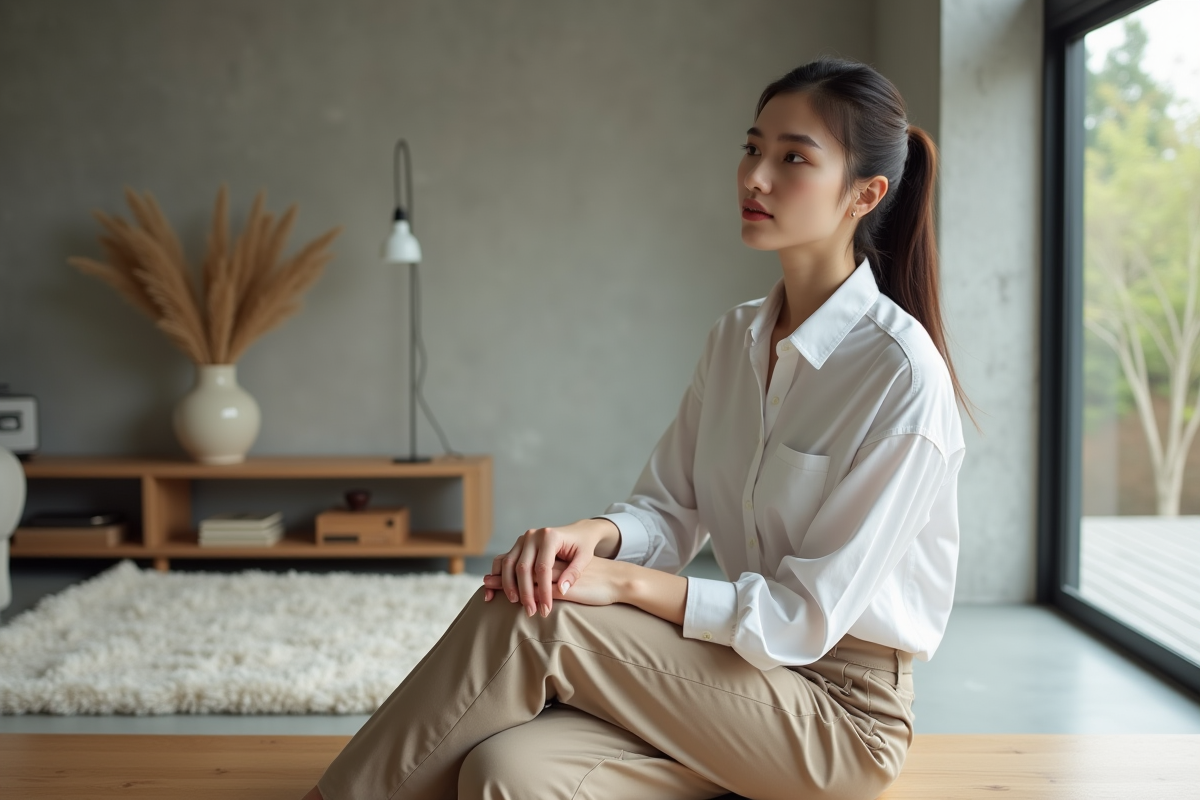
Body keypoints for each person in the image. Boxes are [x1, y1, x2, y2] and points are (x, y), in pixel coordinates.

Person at [304, 54, 977, 800]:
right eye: (753, 148)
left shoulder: (900, 378)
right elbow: (670, 508)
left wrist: (623, 584)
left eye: (793, 158)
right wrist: (588, 539)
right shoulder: (736, 339)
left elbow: (800, 619)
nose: (755, 177)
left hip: (835, 719)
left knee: (540, 616)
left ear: (866, 193)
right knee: (502, 777)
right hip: (729, 677)